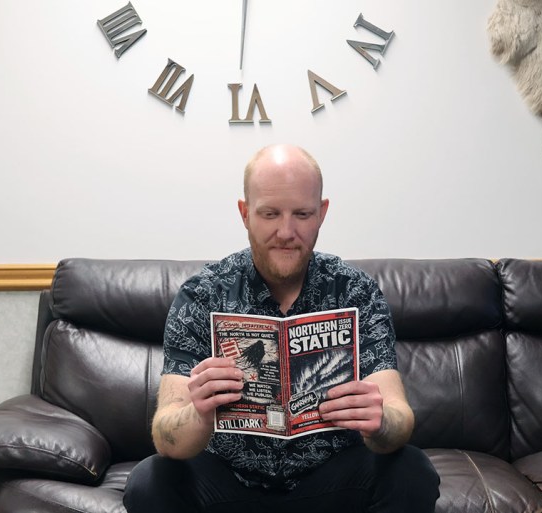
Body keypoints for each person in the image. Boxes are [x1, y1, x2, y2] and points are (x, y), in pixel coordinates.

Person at [123, 144, 440, 512]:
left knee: (410, 468)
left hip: (330, 483)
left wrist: (381, 421)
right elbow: (166, 435)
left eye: (302, 214)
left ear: (322, 213)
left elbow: (399, 415)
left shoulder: (357, 291)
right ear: (245, 214)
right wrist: (199, 413)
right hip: (229, 485)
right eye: (270, 214)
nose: (286, 231)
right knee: (150, 480)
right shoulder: (202, 295)